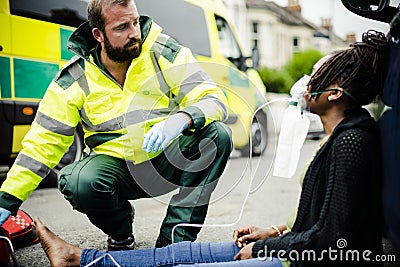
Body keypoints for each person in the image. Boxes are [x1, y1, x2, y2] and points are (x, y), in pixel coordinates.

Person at [33, 29, 388, 266]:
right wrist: (275, 232)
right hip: (289, 249)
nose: (306, 82)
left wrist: (265, 249)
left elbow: (333, 240)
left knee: (181, 262)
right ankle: (80, 257)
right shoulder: (345, 135)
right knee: (182, 253)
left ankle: (79, 258)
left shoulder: (353, 141)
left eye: (316, 75)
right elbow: (324, 219)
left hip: (296, 260)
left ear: (335, 94)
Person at [0, 0, 232, 250]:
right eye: (122, 27)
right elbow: (42, 145)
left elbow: (214, 99)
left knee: (217, 136)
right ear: (98, 35)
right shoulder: (75, 78)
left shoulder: (165, 53)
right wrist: (7, 200)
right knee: (78, 181)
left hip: (165, 162)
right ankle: (120, 231)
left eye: (135, 21)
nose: (135, 33)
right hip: (117, 174)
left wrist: (181, 119)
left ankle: (174, 241)